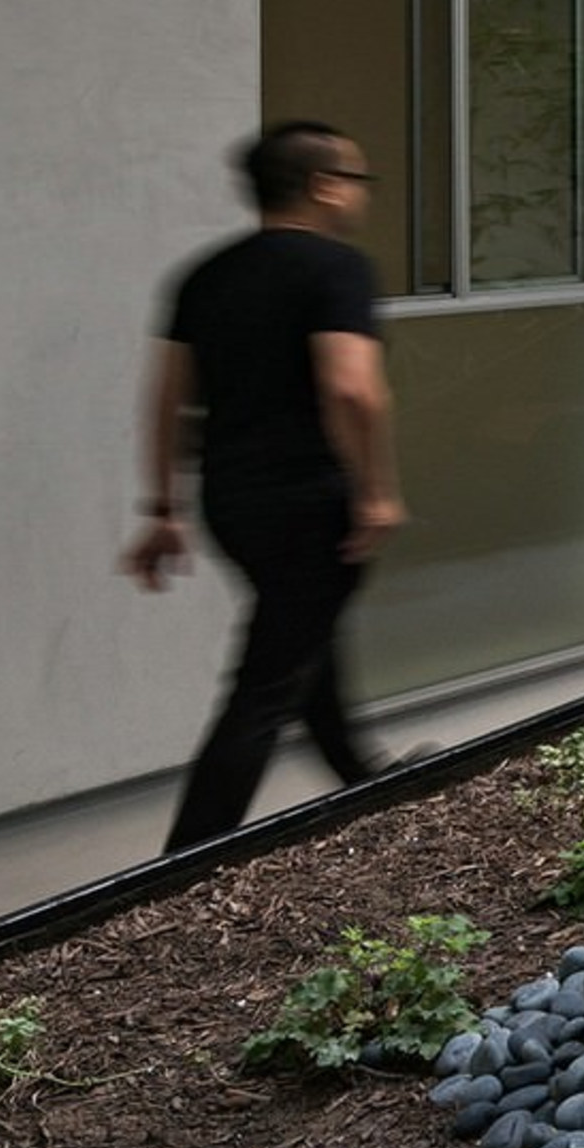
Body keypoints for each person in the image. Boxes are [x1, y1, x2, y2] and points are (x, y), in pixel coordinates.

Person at [123, 120, 406, 854]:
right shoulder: (336, 268)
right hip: (310, 499)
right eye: (355, 179)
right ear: (322, 186)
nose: (359, 195)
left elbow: (167, 398)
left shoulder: (204, 275)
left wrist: (162, 508)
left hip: (231, 501)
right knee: (267, 683)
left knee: (301, 629)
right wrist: (374, 488)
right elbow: (353, 389)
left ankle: (363, 776)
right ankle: (184, 860)